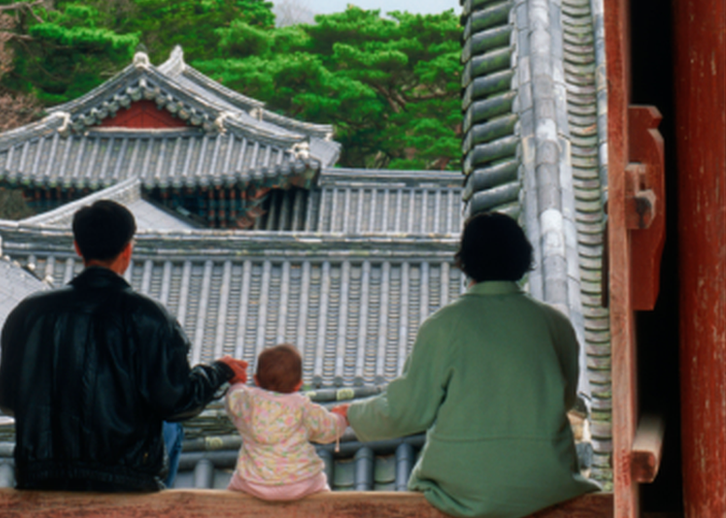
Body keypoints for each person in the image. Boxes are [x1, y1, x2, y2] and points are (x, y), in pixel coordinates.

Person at [332, 212, 598, 518]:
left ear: (466, 260)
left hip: (461, 489)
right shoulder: (556, 324)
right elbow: (564, 399)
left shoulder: (444, 326)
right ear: (522, 257)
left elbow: (408, 410)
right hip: (548, 483)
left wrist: (351, 414)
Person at [0, 199, 247, 492]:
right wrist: (219, 371)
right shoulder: (147, 315)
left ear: (77, 247)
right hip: (125, 479)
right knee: (170, 426)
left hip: (42, 476)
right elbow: (176, 401)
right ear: (127, 249)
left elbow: (7, 398)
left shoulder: (29, 312)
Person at [226, 344, 346, 501]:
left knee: (232, 489)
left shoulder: (247, 402)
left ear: (256, 380)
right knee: (322, 488)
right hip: (301, 483)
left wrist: (237, 382)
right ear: (298, 384)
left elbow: (233, 398)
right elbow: (329, 430)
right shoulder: (303, 407)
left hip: (253, 483)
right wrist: (342, 418)